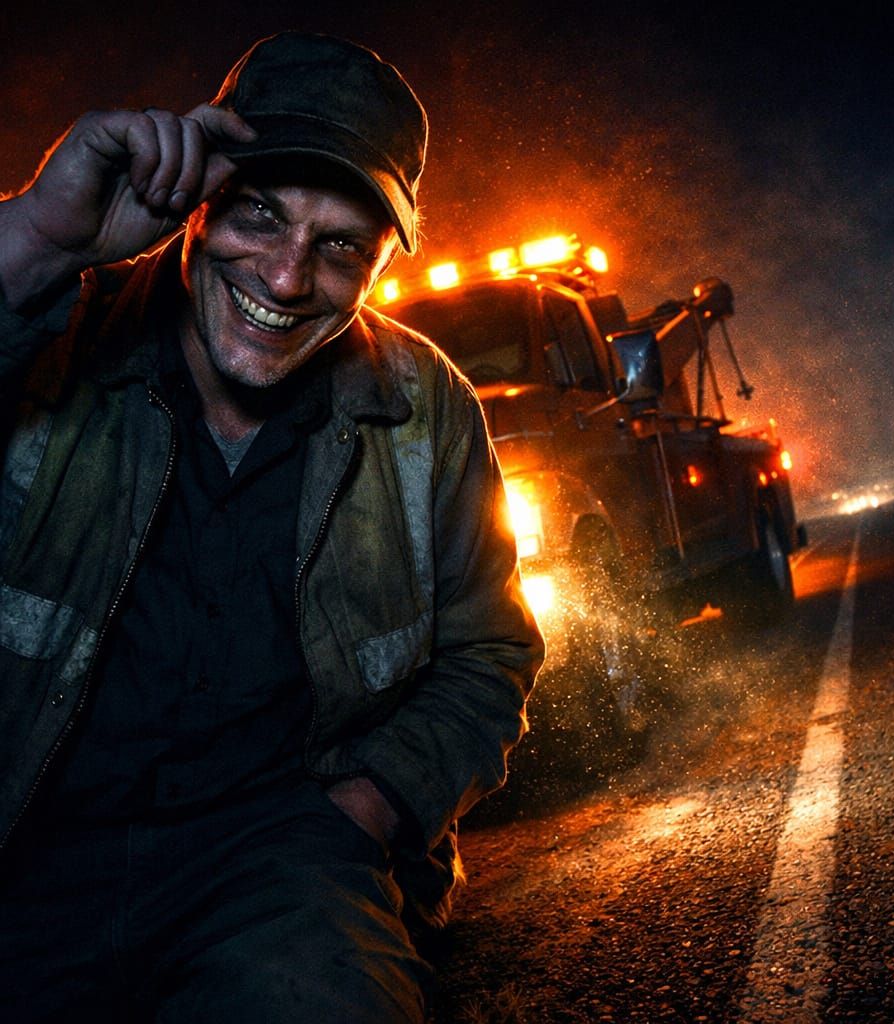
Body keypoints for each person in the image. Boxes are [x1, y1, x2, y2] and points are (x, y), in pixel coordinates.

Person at [0, 30, 543, 1023]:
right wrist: (37, 238)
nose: (289, 281)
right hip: (26, 856)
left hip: (277, 870)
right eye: (261, 214)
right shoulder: (44, 336)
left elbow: (490, 655)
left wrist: (362, 815)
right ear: (196, 206)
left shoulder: (427, 408)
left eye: (341, 246)